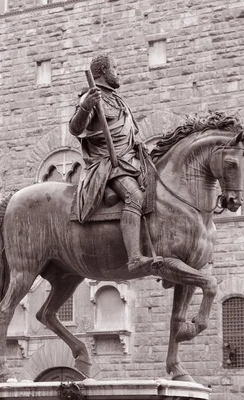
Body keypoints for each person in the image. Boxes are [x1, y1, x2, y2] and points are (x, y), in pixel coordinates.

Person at [69, 53, 153, 273]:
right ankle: (134, 257)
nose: (119, 72)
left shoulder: (117, 99)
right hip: (108, 164)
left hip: (129, 160)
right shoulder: (90, 96)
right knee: (135, 196)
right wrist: (86, 106)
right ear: (104, 71)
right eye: (115, 67)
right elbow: (75, 129)